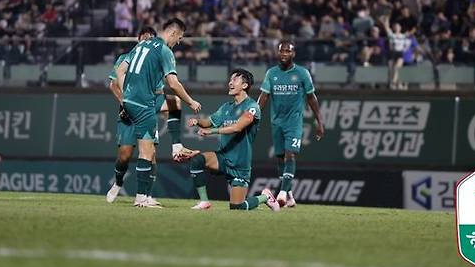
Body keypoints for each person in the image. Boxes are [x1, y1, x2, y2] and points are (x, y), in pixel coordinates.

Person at [116, 18, 202, 208]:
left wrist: (125, 95)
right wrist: (191, 101)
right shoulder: (165, 51)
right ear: (172, 33)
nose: (178, 42)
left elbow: (121, 70)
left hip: (129, 100)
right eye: (179, 38)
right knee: (147, 152)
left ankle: (175, 147)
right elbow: (173, 83)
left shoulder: (142, 44)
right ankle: (141, 198)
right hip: (143, 104)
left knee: (152, 146)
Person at [186, 68, 279, 211]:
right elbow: (209, 121)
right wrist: (197, 121)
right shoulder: (226, 108)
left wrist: (211, 131)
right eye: (230, 80)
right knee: (197, 160)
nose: (230, 82)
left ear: (245, 85)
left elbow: (237, 128)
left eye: (234, 80)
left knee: (237, 207)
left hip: (240, 165)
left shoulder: (252, 107)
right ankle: (204, 202)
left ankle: (265, 197)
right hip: (223, 157)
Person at [257, 40, 325, 207]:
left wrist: (319, 121)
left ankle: (281, 193)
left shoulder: (302, 73)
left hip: (293, 122)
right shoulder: (271, 73)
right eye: (281, 51)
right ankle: (290, 197)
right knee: (280, 158)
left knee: (290, 154)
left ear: (293, 54)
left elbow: (311, 98)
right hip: (276, 122)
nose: (284, 54)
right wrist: (254, 117)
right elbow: (263, 97)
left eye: (288, 51)